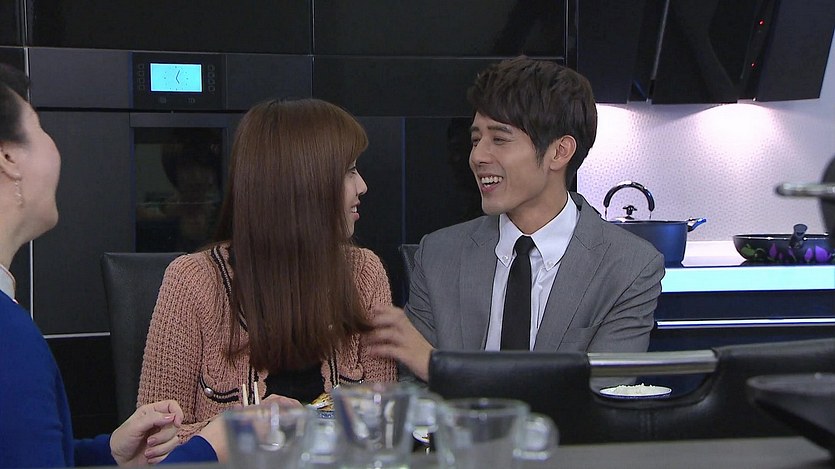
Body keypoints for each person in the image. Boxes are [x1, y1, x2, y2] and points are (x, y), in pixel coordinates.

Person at [368, 56, 665, 382]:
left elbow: (600, 396)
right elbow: (414, 391)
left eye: (500, 139)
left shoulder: (629, 267)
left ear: (559, 152)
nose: (477, 156)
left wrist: (442, 369)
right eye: (476, 139)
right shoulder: (438, 255)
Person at [137, 98, 398, 442]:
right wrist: (247, 428)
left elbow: (384, 426)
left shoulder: (365, 273)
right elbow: (152, 441)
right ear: (303, 184)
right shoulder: (191, 281)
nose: (362, 185)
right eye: (349, 171)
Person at [0, 64, 216, 467]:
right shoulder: (8, 339)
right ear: (9, 157)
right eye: (40, 127)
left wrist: (110, 453)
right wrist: (212, 449)